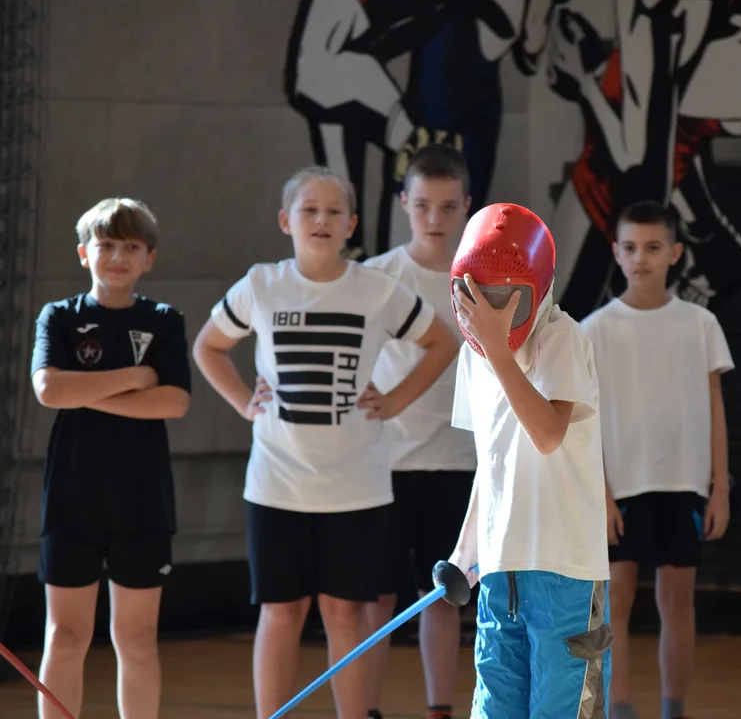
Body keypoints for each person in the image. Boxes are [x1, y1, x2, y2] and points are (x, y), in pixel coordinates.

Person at [190, 166, 458, 719]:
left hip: (355, 487)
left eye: (334, 211)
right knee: (281, 612)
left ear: (352, 224)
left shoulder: (377, 290)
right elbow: (208, 347)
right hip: (276, 484)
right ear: (287, 220)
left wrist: (398, 400)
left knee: (346, 614)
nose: (322, 220)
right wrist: (245, 401)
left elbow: (441, 341)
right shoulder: (262, 284)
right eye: (310, 210)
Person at [445, 202, 612, 718]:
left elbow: (546, 433)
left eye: (505, 297)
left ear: (536, 288)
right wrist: (462, 555)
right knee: (494, 707)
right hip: (500, 571)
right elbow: (491, 464)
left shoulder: (562, 338)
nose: (491, 311)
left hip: (565, 572)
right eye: (480, 296)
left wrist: (496, 349)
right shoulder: (477, 353)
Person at [30, 198, 192, 719]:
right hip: (72, 496)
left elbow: (174, 401)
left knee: (137, 639)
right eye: (106, 245)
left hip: (142, 500)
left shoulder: (164, 322)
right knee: (65, 634)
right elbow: (49, 389)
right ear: (84, 253)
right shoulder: (58, 317)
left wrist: (83, 392)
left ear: (150, 258)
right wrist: (133, 379)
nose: (117, 256)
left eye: (131, 247)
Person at [579, 200, 733, 719]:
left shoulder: (700, 324)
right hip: (621, 488)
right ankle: (619, 709)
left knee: (678, 603)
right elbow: (584, 419)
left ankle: (674, 708)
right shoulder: (594, 330)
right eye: (629, 248)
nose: (640, 258)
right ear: (616, 252)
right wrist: (600, 494)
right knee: (615, 606)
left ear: (675, 252)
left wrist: (720, 489)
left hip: (684, 484)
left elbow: (715, 409)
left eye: (652, 247)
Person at [361, 145, 476, 719]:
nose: (435, 218)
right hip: (384, 464)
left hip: (457, 460)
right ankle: (368, 708)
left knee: (442, 596)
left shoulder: (483, 282)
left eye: (448, 206)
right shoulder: (377, 277)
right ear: (404, 202)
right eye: (424, 204)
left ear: (467, 207)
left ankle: (439, 709)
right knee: (378, 597)